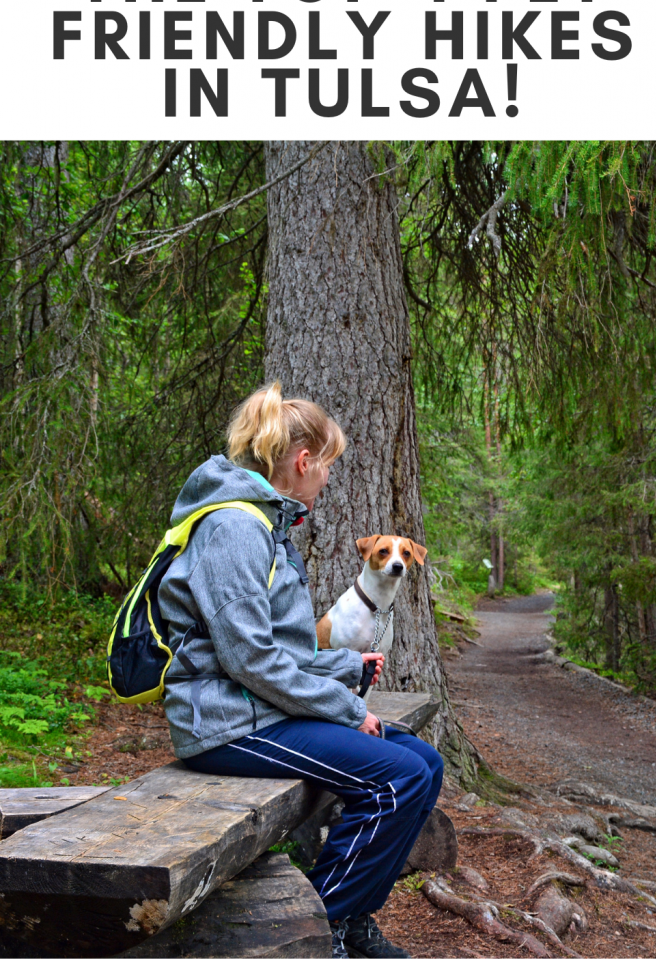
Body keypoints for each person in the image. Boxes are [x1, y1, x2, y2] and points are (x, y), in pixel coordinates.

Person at [159, 382, 444, 959]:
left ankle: (353, 916)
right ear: (303, 461)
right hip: (226, 722)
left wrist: (344, 664)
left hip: (260, 708)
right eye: (328, 466)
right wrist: (346, 706)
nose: (329, 479)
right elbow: (248, 659)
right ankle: (320, 930)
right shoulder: (234, 529)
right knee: (398, 778)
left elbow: (279, 646)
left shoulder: (270, 527)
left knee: (427, 764)